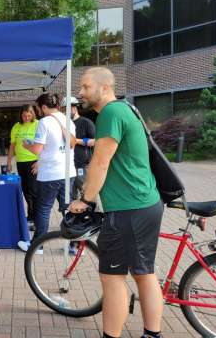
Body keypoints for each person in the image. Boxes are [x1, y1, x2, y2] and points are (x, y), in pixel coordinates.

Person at [69, 67, 164, 338]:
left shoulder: (110, 113)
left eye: (86, 87)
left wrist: (85, 200)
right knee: (144, 273)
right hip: (146, 202)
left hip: (127, 209)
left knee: (113, 279)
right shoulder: (127, 109)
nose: (81, 92)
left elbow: (100, 162)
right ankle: (152, 334)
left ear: (105, 87)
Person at [18, 93, 76, 252]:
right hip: (68, 172)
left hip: (50, 173)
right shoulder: (68, 119)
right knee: (68, 208)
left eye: (38, 108)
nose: (38, 112)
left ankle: (38, 245)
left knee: (43, 209)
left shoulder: (44, 122)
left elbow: (37, 149)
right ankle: (74, 244)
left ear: (44, 107)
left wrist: (26, 145)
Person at [6, 104, 38, 229]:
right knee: (25, 190)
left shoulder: (38, 124)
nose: (26, 117)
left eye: (28, 115)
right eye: (24, 115)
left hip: (34, 161)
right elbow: (12, 146)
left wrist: (40, 161)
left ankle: (35, 218)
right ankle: (31, 217)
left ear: (33, 114)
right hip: (21, 162)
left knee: (33, 190)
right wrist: (9, 161)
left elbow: (44, 144)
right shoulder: (16, 127)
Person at [60, 96, 95, 200]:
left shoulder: (86, 123)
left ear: (74, 108)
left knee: (88, 195)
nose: (65, 112)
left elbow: (94, 142)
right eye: (63, 109)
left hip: (83, 166)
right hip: (67, 167)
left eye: (66, 109)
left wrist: (75, 140)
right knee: (71, 198)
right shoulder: (64, 124)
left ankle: (96, 215)